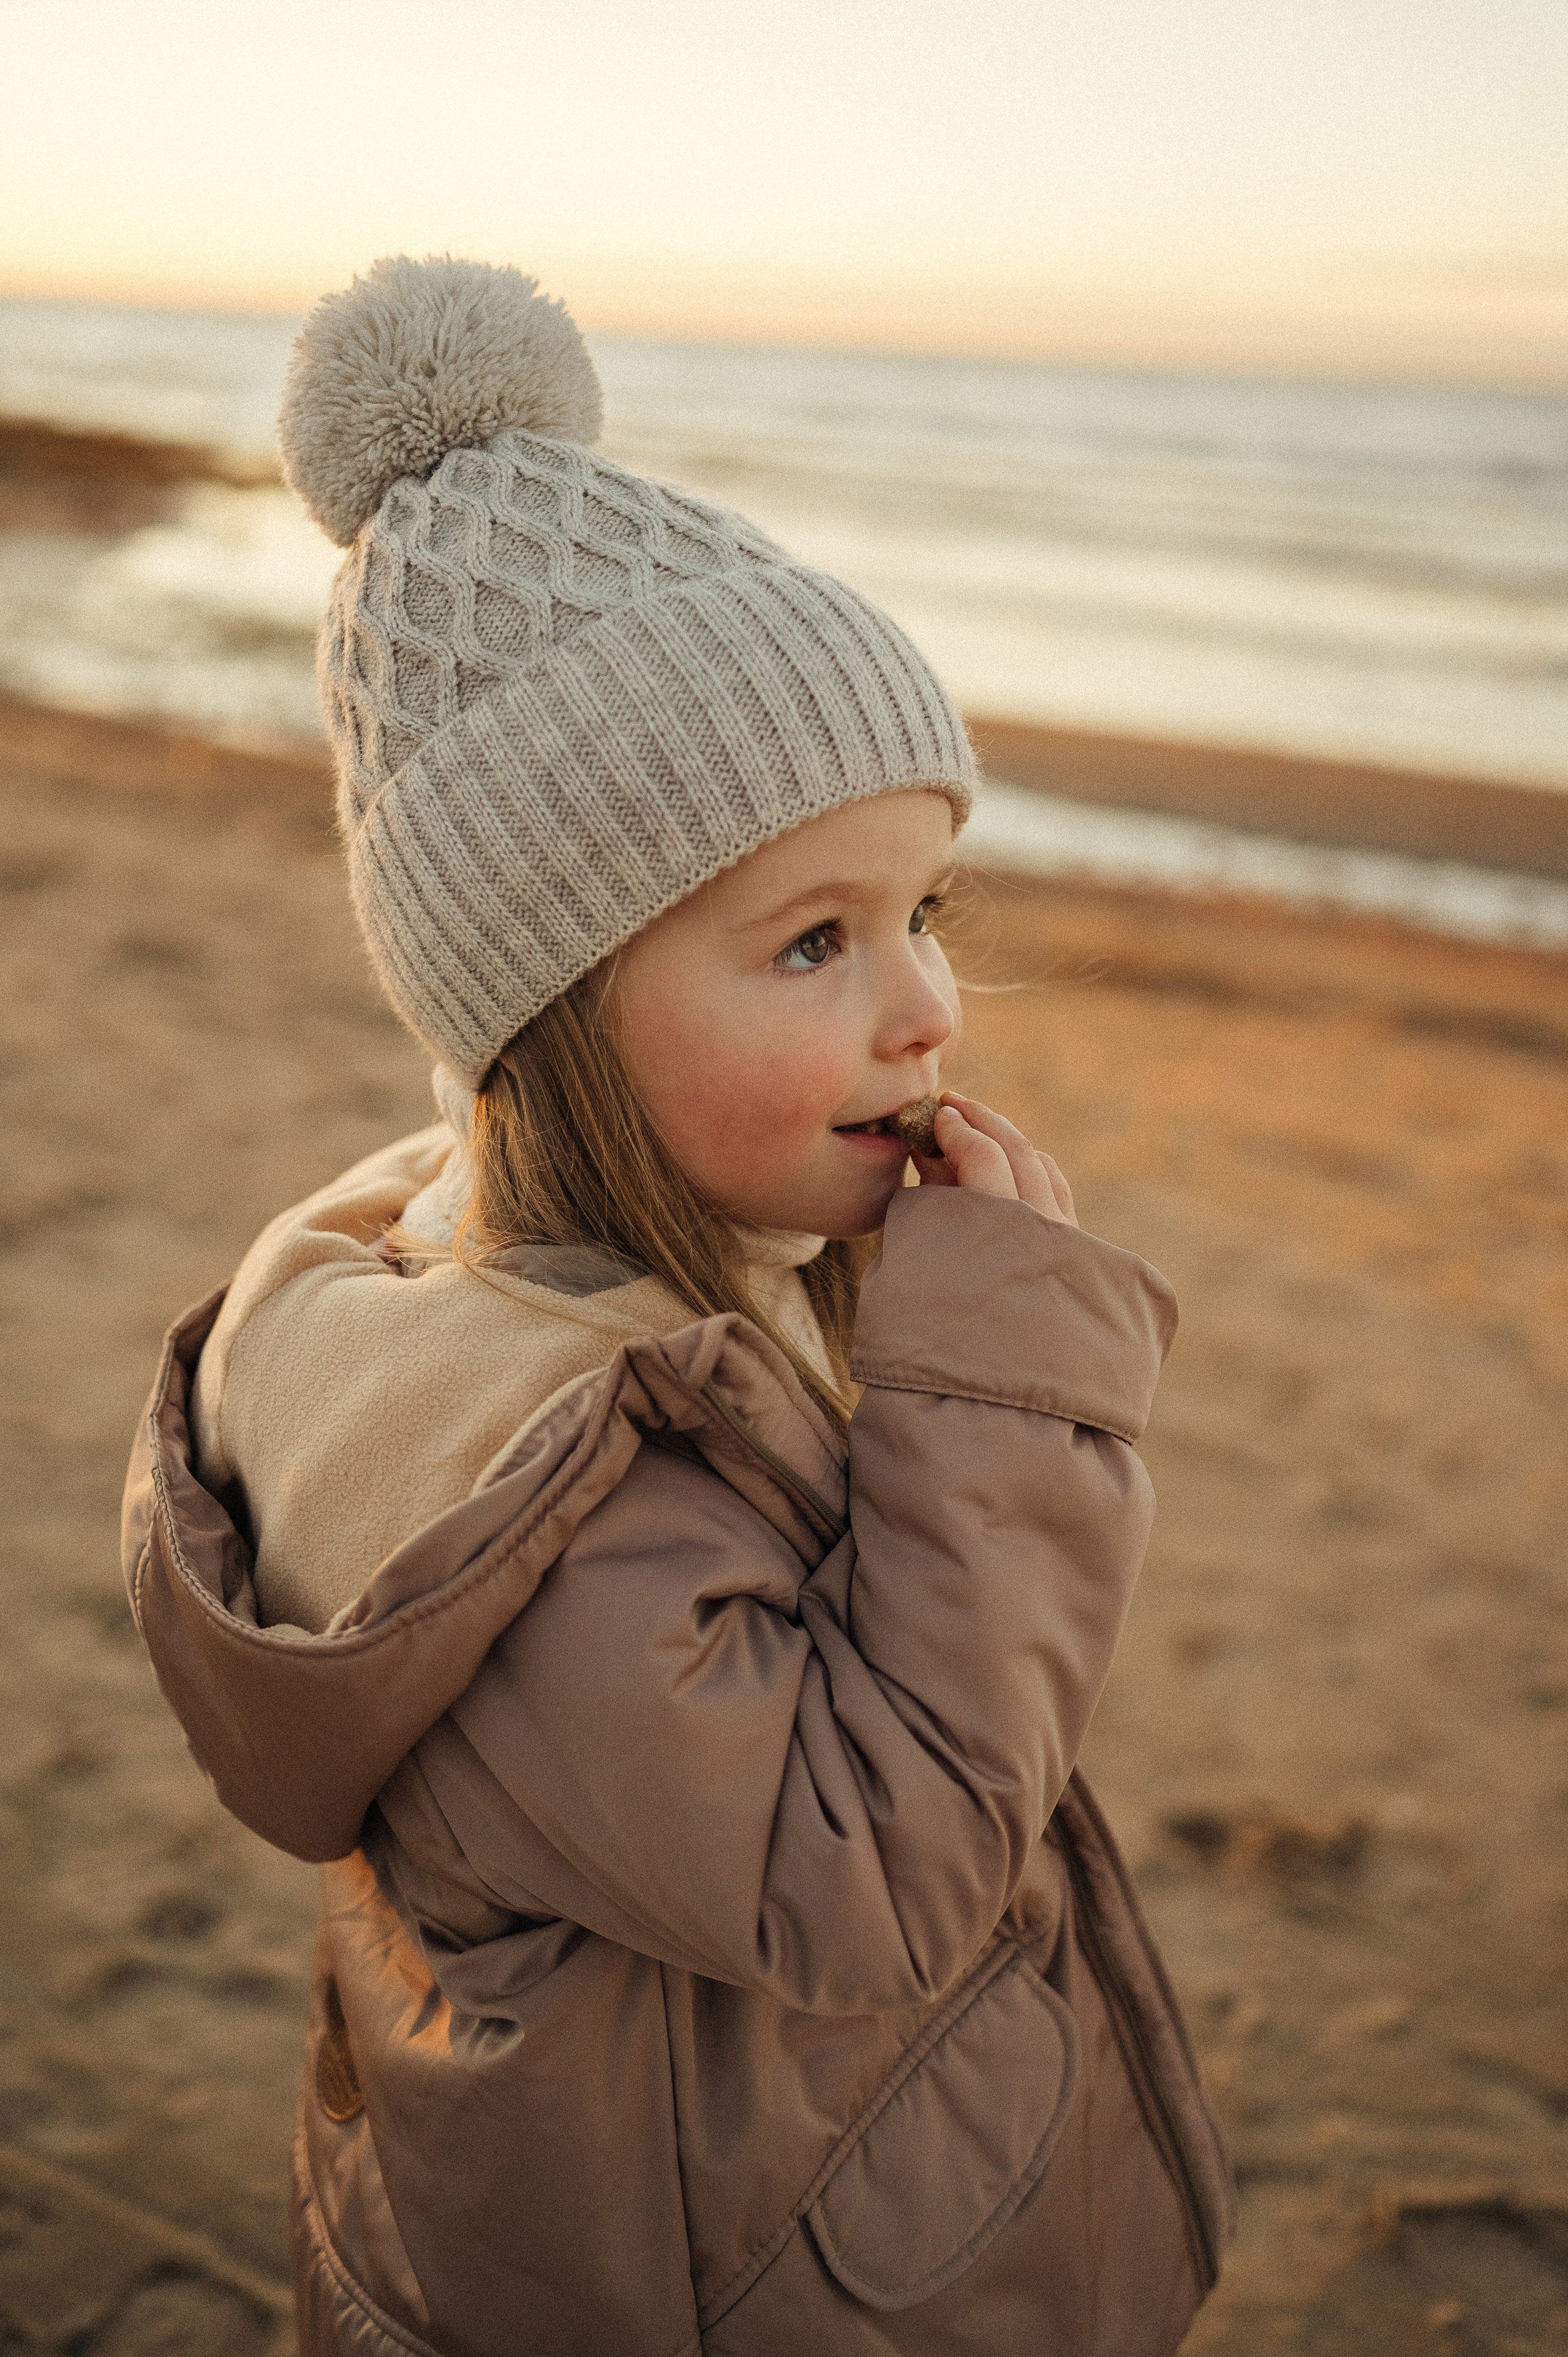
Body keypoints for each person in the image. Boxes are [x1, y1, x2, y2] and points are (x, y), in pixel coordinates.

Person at [123, 255, 1231, 2357]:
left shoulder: (645, 1299)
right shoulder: (535, 1502)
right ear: (548, 1017)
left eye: (928, 909)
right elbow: (881, 1877)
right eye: (810, 943)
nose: (924, 1005)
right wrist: (996, 1403)